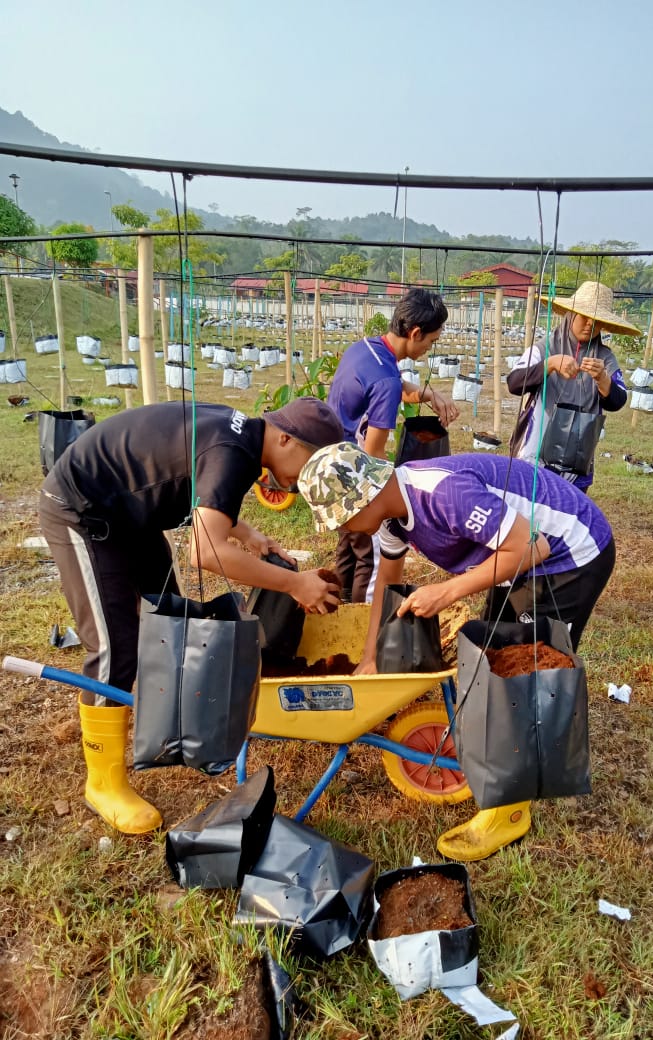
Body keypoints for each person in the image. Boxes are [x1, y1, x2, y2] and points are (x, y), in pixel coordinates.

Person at [38, 396, 344, 835]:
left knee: (166, 620)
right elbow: (206, 550)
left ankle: (166, 727)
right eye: (309, 462)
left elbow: (203, 490)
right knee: (114, 646)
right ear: (285, 437)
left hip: (129, 513)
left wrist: (249, 533)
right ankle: (103, 782)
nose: (303, 479)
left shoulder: (243, 436)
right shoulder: (234, 451)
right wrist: (296, 584)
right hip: (81, 508)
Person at [298, 443, 616, 862]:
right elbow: (388, 589)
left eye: (343, 518)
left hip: (567, 554)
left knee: (523, 672)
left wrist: (447, 591)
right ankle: (493, 758)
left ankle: (508, 813)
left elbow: (532, 547)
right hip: (517, 552)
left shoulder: (444, 495)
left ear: (367, 494)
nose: (344, 529)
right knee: (490, 655)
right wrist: (371, 654)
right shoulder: (392, 518)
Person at [327, 288, 458, 603]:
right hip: (356, 472)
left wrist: (428, 394)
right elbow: (374, 453)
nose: (429, 348)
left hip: (333, 460)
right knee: (370, 560)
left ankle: (339, 613)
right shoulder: (386, 378)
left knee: (349, 546)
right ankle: (362, 625)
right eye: (431, 341)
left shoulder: (365, 349)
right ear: (415, 333)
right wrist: (398, 498)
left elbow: (389, 385)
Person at [508, 280, 641, 493]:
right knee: (528, 513)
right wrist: (549, 365)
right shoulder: (545, 348)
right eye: (584, 316)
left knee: (567, 516)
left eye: (597, 321)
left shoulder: (605, 359)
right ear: (570, 314)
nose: (590, 324)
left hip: (578, 456)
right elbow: (514, 383)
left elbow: (618, 401)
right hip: (534, 451)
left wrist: (603, 380)